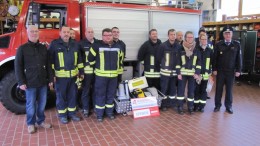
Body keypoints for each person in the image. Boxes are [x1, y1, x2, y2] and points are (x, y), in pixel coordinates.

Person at [15, 25, 53, 134]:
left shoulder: (43, 48)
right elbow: (18, 67)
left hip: (42, 82)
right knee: (30, 105)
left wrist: (50, 79)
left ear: (38, 33)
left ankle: (41, 121)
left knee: (42, 104)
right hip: (30, 82)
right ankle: (31, 123)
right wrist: (21, 82)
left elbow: (48, 64)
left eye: (36, 31)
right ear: (27, 33)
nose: (34, 33)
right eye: (32, 31)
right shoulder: (22, 49)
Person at [48, 26, 84, 124]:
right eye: (64, 32)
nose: (66, 34)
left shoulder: (75, 44)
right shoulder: (54, 44)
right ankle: (63, 115)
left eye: (68, 32)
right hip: (60, 77)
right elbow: (50, 62)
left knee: (72, 95)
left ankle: (72, 113)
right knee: (61, 96)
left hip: (73, 76)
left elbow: (79, 59)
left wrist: (81, 72)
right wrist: (51, 76)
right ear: (60, 33)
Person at [88, 28, 122, 122]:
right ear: (102, 36)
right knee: (100, 95)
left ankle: (109, 113)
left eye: (109, 35)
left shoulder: (118, 46)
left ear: (112, 36)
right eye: (105, 35)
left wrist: (119, 76)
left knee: (111, 95)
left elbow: (120, 62)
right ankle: (99, 114)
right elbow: (90, 59)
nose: (108, 37)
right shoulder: (96, 46)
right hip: (101, 77)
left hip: (113, 77)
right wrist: (98, 67)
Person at [212, 26, 242, 114]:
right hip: (220, 71)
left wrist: (238, 70)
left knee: (229, 90)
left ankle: (228, 106)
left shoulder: (237, 44)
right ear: (224, 35)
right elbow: (215, 58)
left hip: (231, 71)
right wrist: (214, 69)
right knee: (218, 90)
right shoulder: (218, 44)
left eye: (229, 33)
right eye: (226, 33)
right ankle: (217, 106)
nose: (228, 35)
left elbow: (239, 58)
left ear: (232, 34)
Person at [176, 31, 201, 115]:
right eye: (188, 37)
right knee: (180, 91)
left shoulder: (196, 49)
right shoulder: (180, 48)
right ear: (185, 38)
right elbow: (178, 62)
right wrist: (178, 73)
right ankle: (180, 107)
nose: (190, 39)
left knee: (191, 91)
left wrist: (197, 73)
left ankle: (190, 107)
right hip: (182, 74)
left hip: (192, 75)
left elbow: (199, 62)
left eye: (191, 37)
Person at [157, 29, 181, 111]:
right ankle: (163, 105)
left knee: (173, 89)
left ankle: (172, 103)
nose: (173, 36)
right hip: (165, 73)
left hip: (174, 73)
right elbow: (159, 58)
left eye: (174, 34)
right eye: (171, 34)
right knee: (164, 89)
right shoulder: (163, 46)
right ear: (168, 35)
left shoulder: (178, 46)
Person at [79, 27, 98, 118]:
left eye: (92, 32)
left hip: (97, 72)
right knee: (85, 91)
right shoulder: (81, 44)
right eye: (88, 32)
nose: (90, 33)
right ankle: (86, 109)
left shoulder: (98, 43)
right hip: (86, 73)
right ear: (85, 33)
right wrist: (81, 72)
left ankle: (95, 107)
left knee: (96, 91)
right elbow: (79, 59)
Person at [194, 34, 213, 112]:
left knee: (203, 91)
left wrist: (210, 75)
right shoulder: (196, 50)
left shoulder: (210, 51)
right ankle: (195, 106)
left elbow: (212, 63)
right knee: (196, 90)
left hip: (206, 75)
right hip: (197, 75)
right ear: (200, 40)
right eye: (202, 39)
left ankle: (202, 106)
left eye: (205, 39)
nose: (204, 41)